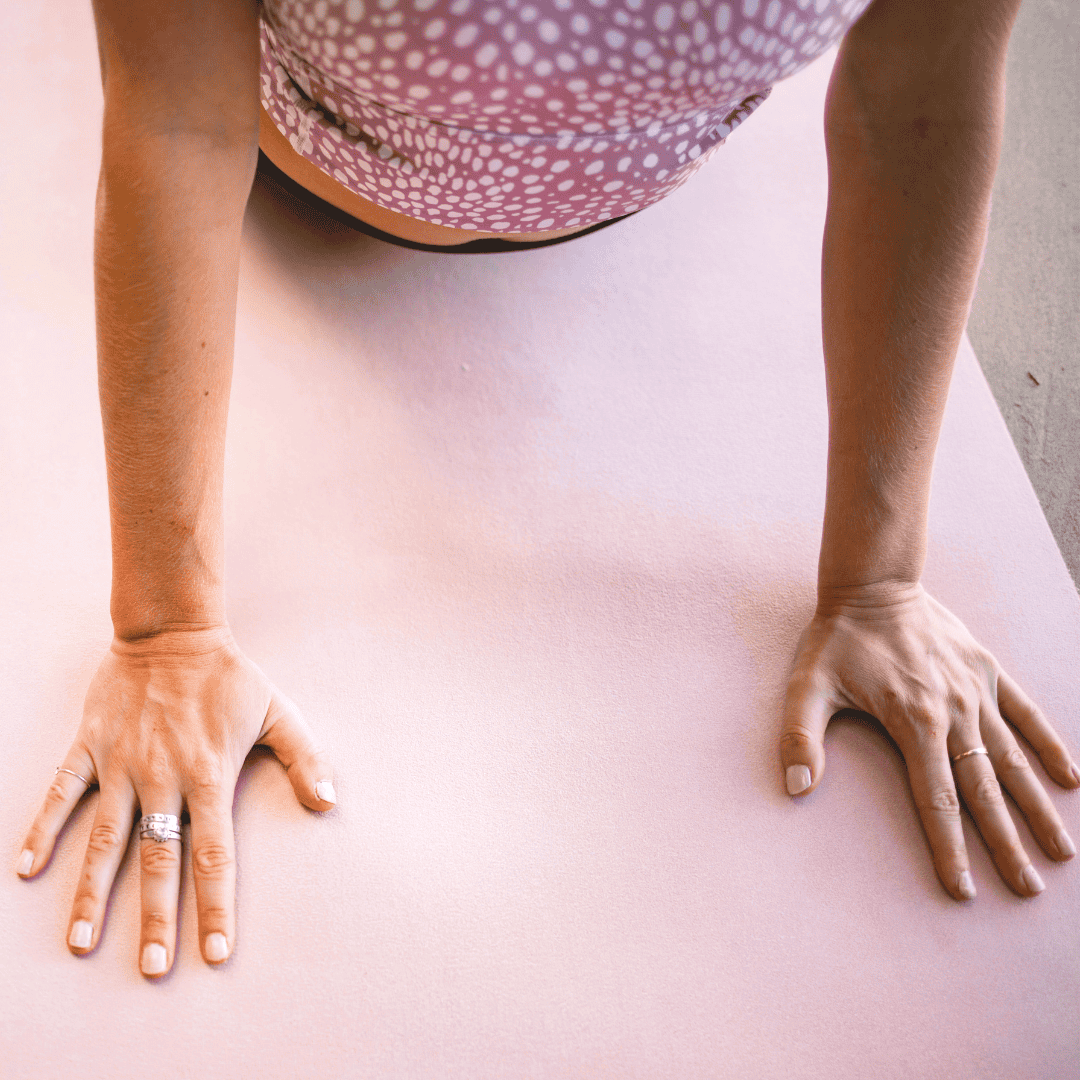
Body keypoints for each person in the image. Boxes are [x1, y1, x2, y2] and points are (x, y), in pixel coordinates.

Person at [15, 0, 1077, 979]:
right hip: (316, 179)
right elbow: (176, 124)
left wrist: (877, 580)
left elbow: (920, 100)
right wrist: (164, 631)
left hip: (649, 198)